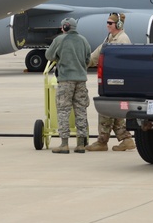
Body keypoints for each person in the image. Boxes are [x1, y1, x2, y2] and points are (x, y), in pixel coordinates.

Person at [86, 12, 135, 151]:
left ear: (118, 25)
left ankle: (102, 142)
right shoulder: (110, 38)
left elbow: (123, 63)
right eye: (107, 22)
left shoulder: (122, 40)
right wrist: (80, 63)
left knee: (106, 109)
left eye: (110, 23)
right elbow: (95, 56)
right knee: (114, 110)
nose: (107, 25)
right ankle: (126, 139)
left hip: (117, 81)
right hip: (110, 80)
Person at [44, 17, 90, 154]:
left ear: (64, 27)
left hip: (65, 81)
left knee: (63, 110)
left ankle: (64, 144)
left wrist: (60, 58)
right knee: (81, 110)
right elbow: (88, 59)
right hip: (81, 80)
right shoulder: (83, 40)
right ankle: (81, 144)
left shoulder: (59, 40)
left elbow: (49, 55)